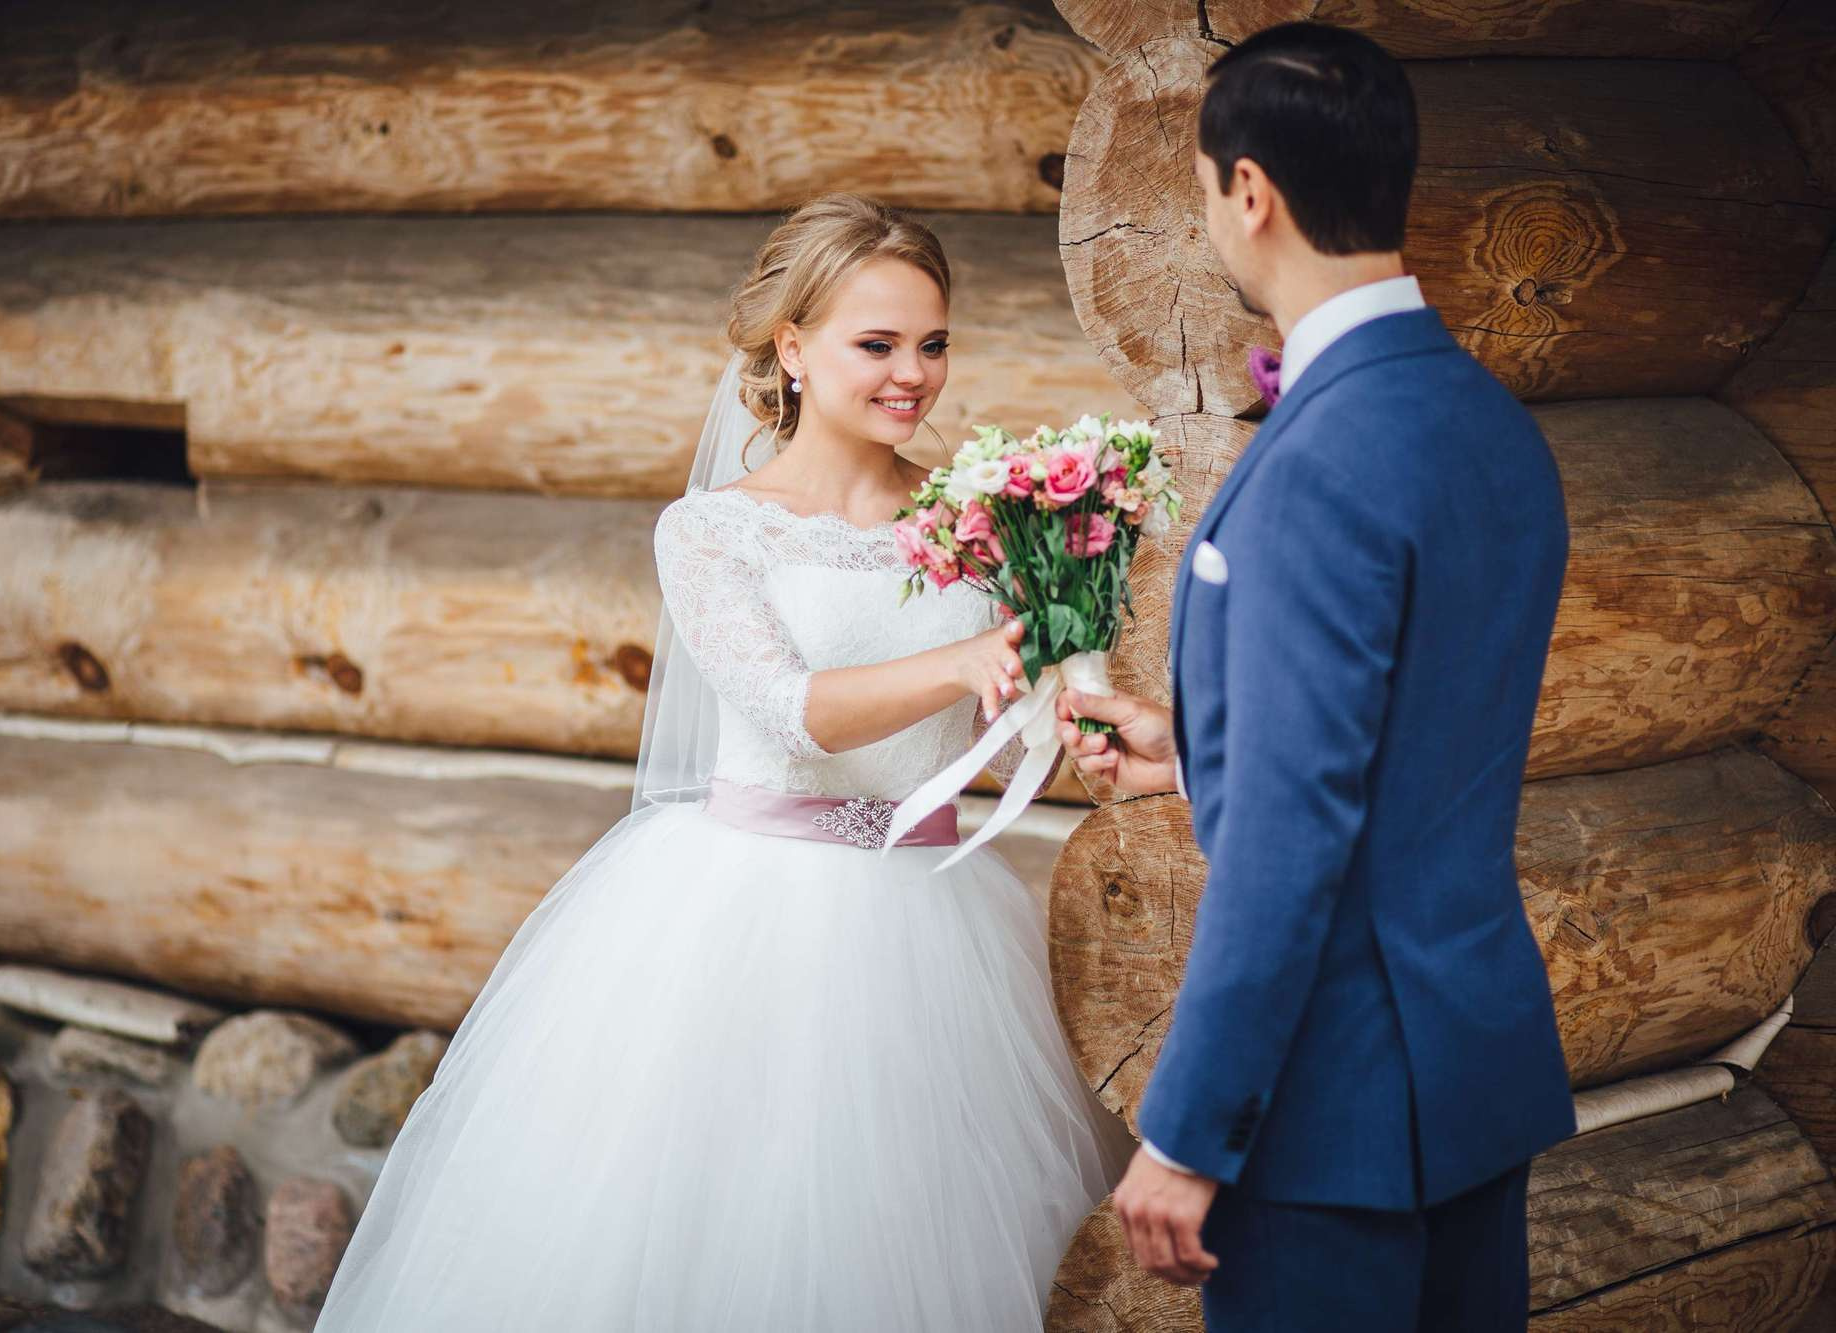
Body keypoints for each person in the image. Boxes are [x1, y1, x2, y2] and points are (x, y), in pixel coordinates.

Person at [313, 192, 1130, 1333]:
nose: (914, 375)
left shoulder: (982, 525)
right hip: (744, 930)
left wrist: (1074, 693)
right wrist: (967, 659)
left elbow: (1036, 709)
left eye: (933, 343)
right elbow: (792, 713)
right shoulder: (712, 532)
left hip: (938, 930)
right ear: (792, 348)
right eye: (877, 344)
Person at [1053, 23, 1576, 1333]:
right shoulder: (1489, 426)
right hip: (1467, 1077)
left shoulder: (1316, 468)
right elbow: (1421, 726)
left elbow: (1292, 844)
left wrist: (1186, 1129)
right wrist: (1201, 745)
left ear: (1249, 193)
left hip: (1330, 1107)